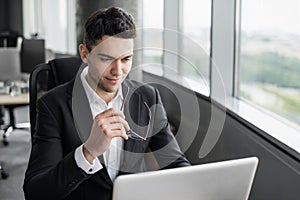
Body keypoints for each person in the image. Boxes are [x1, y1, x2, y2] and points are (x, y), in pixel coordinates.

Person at [23, 7, 190, 200]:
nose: (117, 71)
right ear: (84, 54)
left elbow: (176, 165)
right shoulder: (52, 105)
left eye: (126, 59)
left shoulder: (147, 97)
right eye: (106, 59)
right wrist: (88, 152)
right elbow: (35, 192)